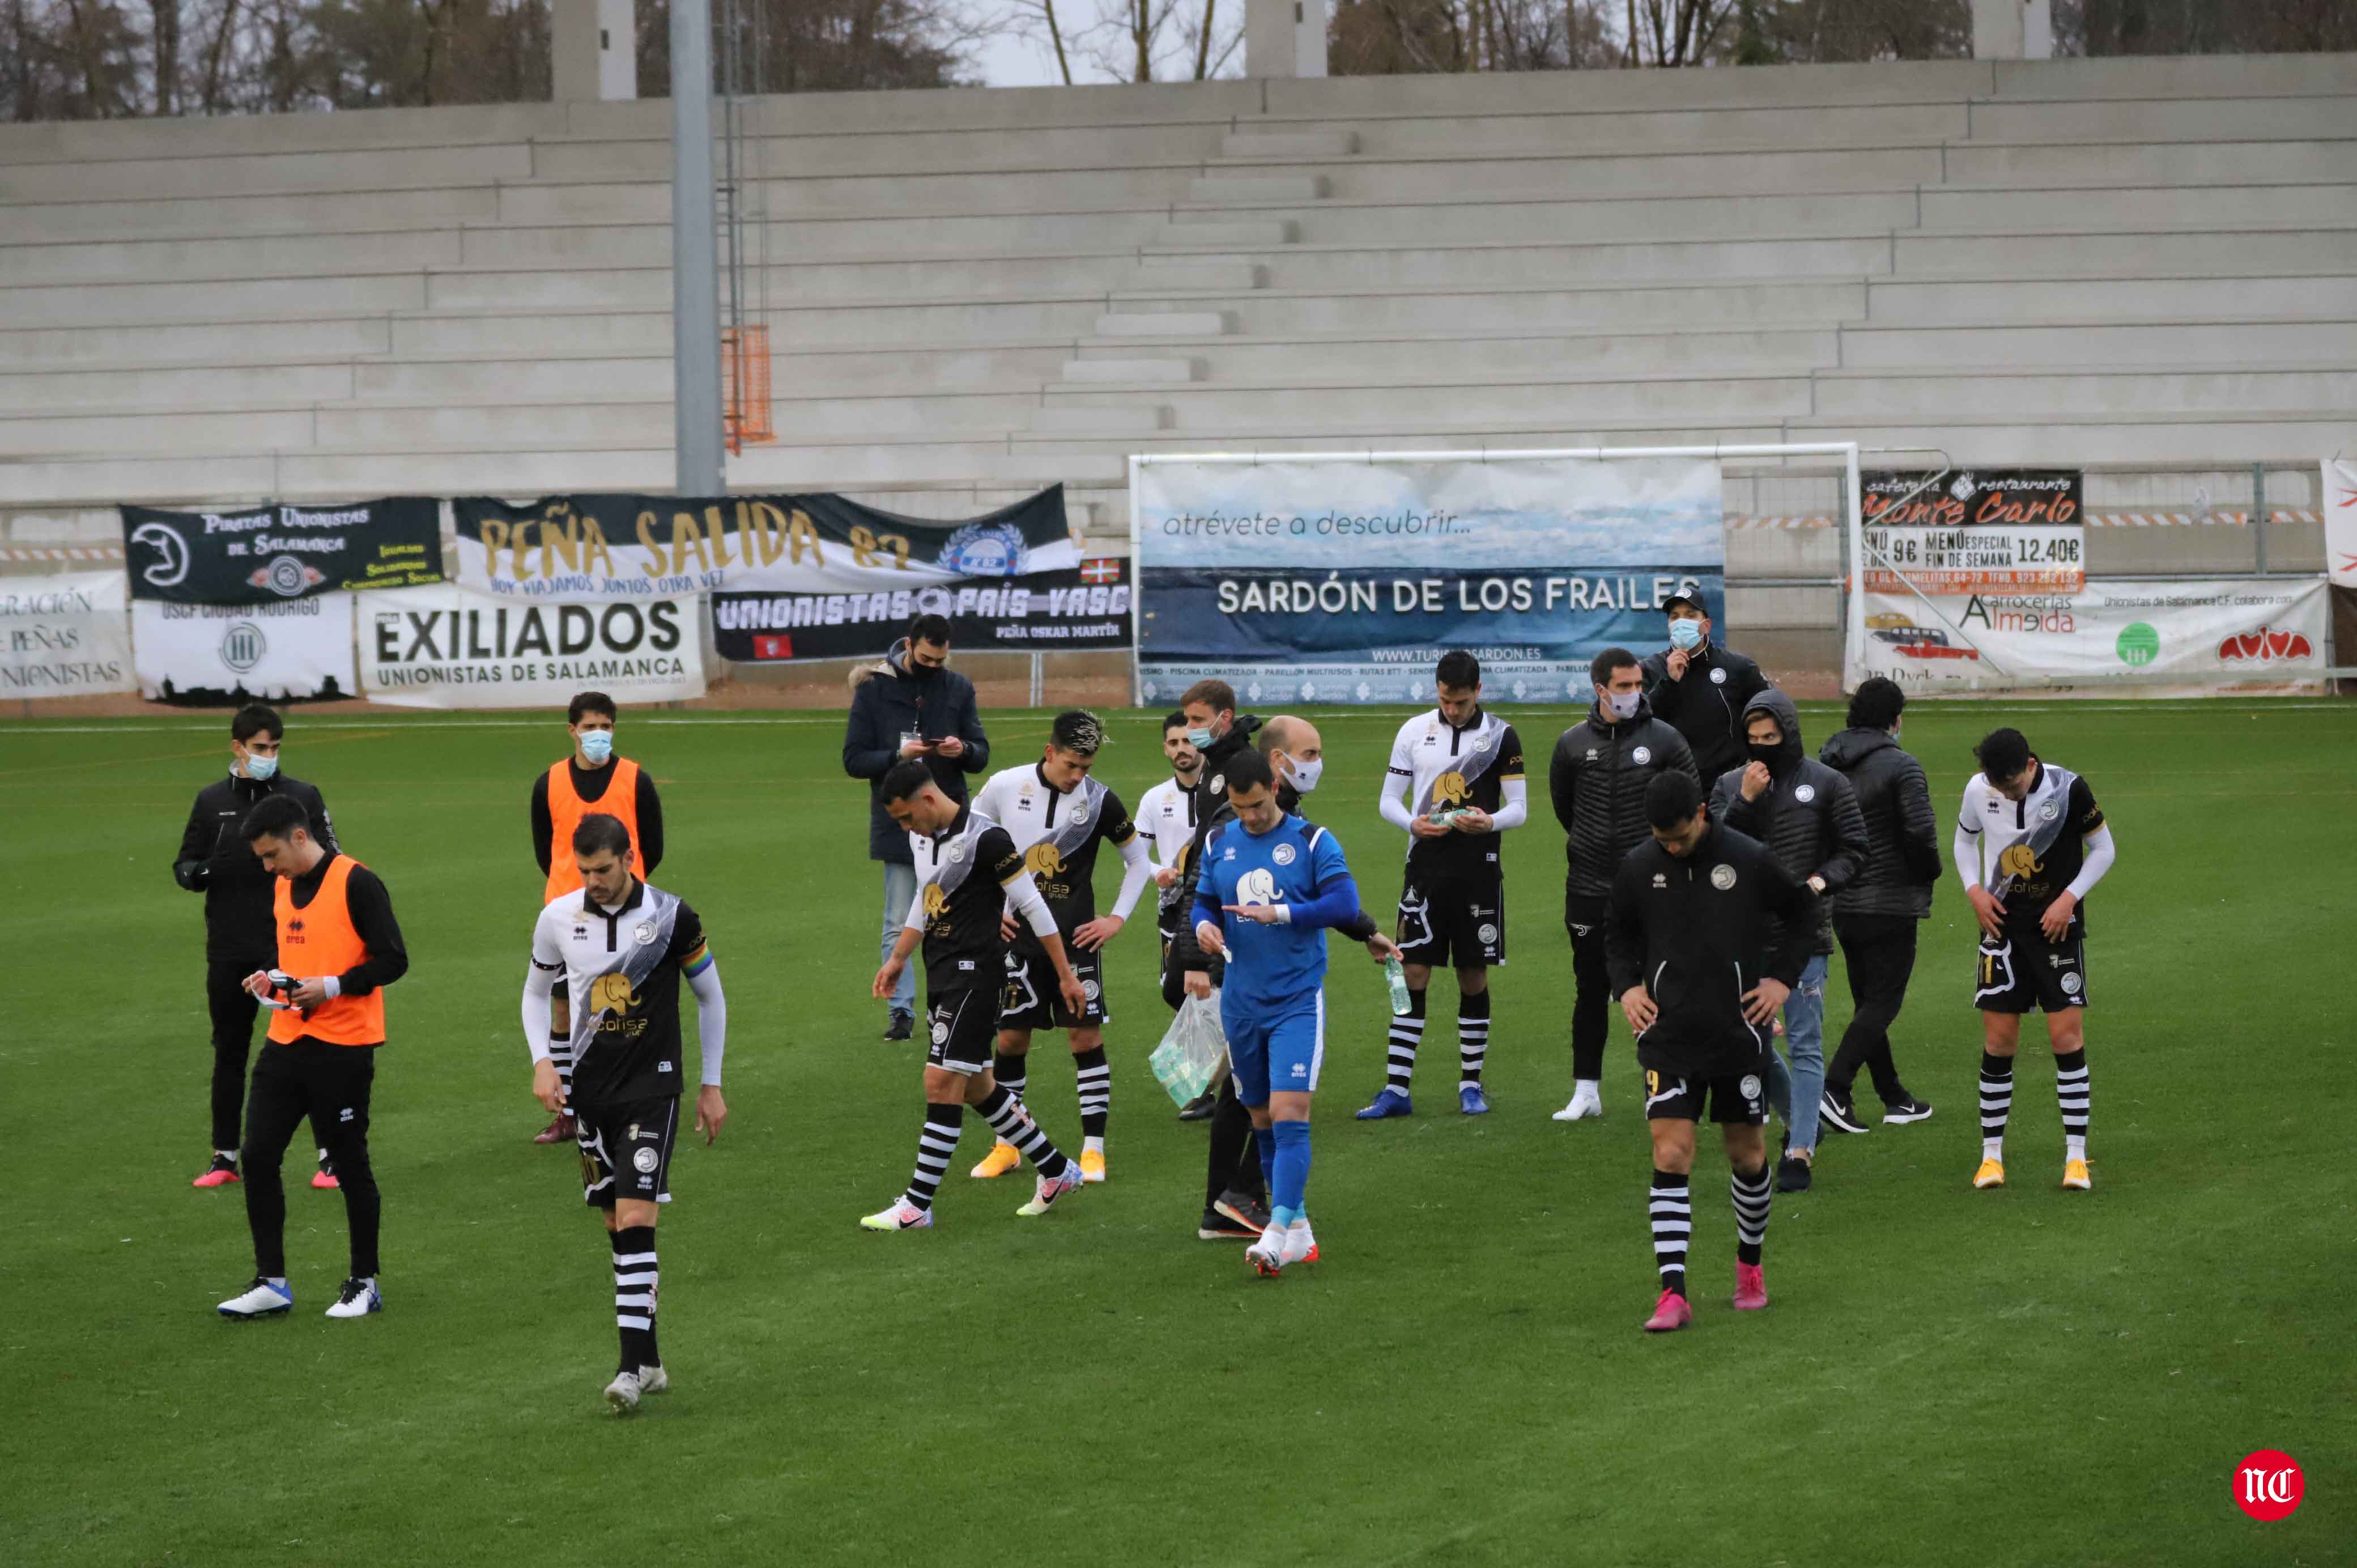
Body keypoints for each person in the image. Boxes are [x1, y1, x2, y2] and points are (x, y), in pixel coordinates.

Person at [520, 813, 726, 1414]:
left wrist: (709, 1084)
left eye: (604, 869)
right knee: (615, 1226)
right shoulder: (558, 917)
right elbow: (537, 993)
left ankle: (628, 1369)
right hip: (590, 1093)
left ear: (628, 857)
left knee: (637, 1214)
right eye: (585, 870)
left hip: (652, 1087)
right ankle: (654, 1360)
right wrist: (543, 1061)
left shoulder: (671, 916)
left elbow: (710, 996)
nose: (595, 881)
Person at [1608, 772, 1813, 1333]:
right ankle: (1671, 1292)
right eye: (1661, 839)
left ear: (1701, 812)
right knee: (1670, 1152)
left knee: (1745, 1154)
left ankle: (1749, 1262)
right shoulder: (1637, 866)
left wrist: (1778, 981)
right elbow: (1616, 936)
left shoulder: (1747, 858)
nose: (1670, 848)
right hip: (1667, 1036)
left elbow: (1803, 916)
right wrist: (1625, 985)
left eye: (1677, 837)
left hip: (1736, 1033)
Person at [1190, 749, 1399, 1276]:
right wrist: (1203, 930)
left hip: (1296, 1001)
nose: (1250, 817)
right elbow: (1204, 902)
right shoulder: (1219, 841)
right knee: (1260, 1116)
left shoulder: (1311, 842)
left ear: (1274, 788)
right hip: (1240, 1003)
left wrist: (1278, 912)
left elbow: (1343, 905)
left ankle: (1276, 1232)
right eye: (1240, 809)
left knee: (1289, 1113)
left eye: (1258, 805)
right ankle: (1300, 1232)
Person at [861, 760, 1087, 1230]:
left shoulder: (989, 840)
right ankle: (1056, 1168)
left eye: (906, 817)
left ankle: (917, 1205)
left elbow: (1032, 905)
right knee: (980, 1087)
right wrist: (899, 958)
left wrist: (1066, 975)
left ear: (928, 799)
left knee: (940, 1082)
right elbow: (927, 898)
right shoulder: (920, 837)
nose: (905, 827)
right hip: (941, 973)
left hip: (977, 976)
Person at [215, 794, 407, 1322]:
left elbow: (394, 958)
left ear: (300, 837)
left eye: (272, 854)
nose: (267, 866)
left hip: (343, 1047)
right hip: (285, 1042)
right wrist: (271, 975)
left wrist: (336, 985)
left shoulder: (357, 882)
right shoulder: (282, 886)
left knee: (349, 1164)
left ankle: (364, 1283)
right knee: (257, 1157)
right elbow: (296, 951)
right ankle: (271, 1282)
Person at [964, 710, 1152, 1184]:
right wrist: (989, 912)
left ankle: (1093, 1150)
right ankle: (1008, 1145)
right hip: (1016, 938)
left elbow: (1138, 862)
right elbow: (969, 847)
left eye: (1086, 768)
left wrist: (1115, 919)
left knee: (1085, 1038)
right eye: (1071, 765)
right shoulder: (1005, 786)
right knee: (1010, 1040)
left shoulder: (1101, 801)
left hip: (1076, 941)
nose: (1078, 777)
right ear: (1049, 752)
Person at [173, 703, 341, 1192]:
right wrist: (209, 869)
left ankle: (331, 1154)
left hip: (292, 947)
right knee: (229, 1051)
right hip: (228, 950)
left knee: (310, 1049)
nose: (269, 756)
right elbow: (185, 867)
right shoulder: (210, 802)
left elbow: (331, 860)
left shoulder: (301, 797)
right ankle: (224, 1155)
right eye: (260, 747)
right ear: (237, 747)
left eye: (275, 747)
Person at [1709, 690, 1866, 1193]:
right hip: (1743, 937)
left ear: (1789, 734)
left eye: (1770, 739)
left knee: (1803, 1041)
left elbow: (1855, 847)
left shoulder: (1827, 783)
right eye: (1753, 740)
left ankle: (1799, 1150)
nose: (1761, 749)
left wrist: (1821, 882)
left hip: (1805, 935)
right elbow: (1715, 854)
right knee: (1748, 1042)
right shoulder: (1730, 785)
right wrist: (1746, 801)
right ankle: (1801, 1116)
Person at [1359, 649, 1526, 1120]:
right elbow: (1390, 800)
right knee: (1409, 972)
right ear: (1438, 692)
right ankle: (1396, 1089)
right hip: (1424, 869)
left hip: (1479, 872)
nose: (1453, 710)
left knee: (1473, 976)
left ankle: (1471, 1086)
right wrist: (1411, 825)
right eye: (1446, 701)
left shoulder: (1501, 736)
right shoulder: (1413, 731)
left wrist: (1488, 821)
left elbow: (1520, 808)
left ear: (1479, 692)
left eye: (1462, 702)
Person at [1955, 727, 2114, 1192]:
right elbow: (1965, 843)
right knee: (1999, 1042)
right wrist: (1974, 892)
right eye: (1998, 789)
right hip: (2000, 930)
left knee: (2066, 1039)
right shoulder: (1977, 788)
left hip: (2056, 930)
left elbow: (2104, 849)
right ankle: (1990, 1158)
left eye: (2013, 786)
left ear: (2030, 765)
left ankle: (2077, 1159)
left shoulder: (2069, 789)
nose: (2005, 794)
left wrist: (2069, 898)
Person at [1547, 646, 1697, 1123]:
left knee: (1662, 987)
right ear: (1601, 690)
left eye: (1638, 685)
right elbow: (1565, 809)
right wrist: (1592, 846)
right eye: (1625, 686)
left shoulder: (1667, 740)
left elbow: (1689, 806)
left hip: (1653, 887)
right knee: (1590, 988)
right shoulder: (1571, 744)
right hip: (1588, 886)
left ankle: (1670, 1085)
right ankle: (1586, 1091)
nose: (1635, 693)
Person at [842, 613, 990, 1041]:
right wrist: (897, 755)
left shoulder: (958, 687)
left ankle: (966, 997)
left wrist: (963, 749)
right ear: (909, 645)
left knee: (967, 915)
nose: (932, 667)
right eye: (926, 658)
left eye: (940, 661)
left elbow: (982, 754)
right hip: (899, 821)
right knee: (898, 919)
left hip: (953, 820)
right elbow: (853, 759)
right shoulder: (874, 688)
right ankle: (901, 1012)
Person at [527, 691, 665, 1145]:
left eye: (605, 726)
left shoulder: (635, 779)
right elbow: (546, 850)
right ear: (572, 730)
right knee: (564, 1009)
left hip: (630, 915)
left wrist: (623, 888)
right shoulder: (548, 784)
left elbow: (653, 846)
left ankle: (637, 1102)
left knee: (630, 1009)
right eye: (589, 727)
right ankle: (569, 1111)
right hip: (571, 916)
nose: (597, 735)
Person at [1816, 678, 1941, 1135]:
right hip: (1889, 900)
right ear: (1894, 719)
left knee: (1869, 1003)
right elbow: (1920, 834)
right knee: (1882, 1003)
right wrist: (1928, 873)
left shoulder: (1826, 765)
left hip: (1842, 899)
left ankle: (1894, 1097)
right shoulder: (1901, 767)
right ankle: (1835, 1087)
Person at [1134, 710, 1214, 1120]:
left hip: (1215, 905)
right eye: (1174, 743)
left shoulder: (1219, 789)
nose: (1182, 750)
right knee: (1176, 992)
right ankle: (1209, 1080)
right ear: (1165, 747)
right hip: (1173, 909)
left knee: (1203, 991)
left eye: (1188, 741)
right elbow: (1135, 853)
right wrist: (1157, 872)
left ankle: (1203, 1087)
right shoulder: (1154, 799)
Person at [1640, 591, 1770, 799]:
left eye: (1690, 615)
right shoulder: (1649, 669)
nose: (1682, 622)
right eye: (1675, 616)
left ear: (1706, 625)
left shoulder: (1739, 668)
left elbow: (1769, 717)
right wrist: (1670, 683)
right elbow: (1640, 721)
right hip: (1670, 786)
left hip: (1727, 787)